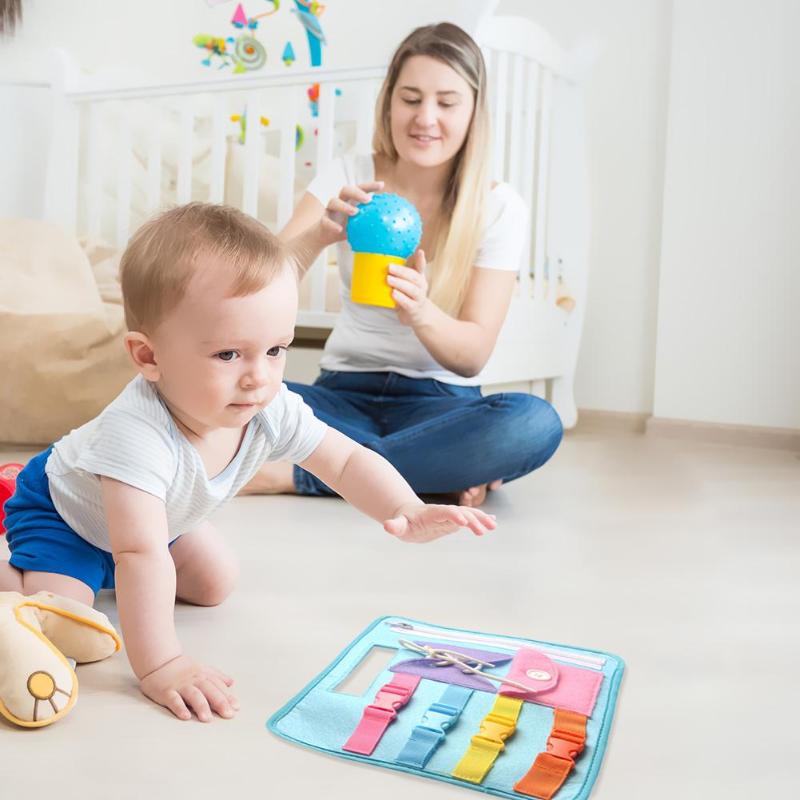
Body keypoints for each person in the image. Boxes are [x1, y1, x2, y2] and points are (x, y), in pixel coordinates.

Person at [0, 203, 495, 723]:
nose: (259, 376)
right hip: (67, 515)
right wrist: (163, 665)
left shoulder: (266, 407)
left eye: (276, 349)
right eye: (229, 355)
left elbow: (345, 459)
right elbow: (139, 554)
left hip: (155, 521)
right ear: (149, 357)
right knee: (67, 622)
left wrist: (405, 506)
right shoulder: (136, 435)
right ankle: (12, 570)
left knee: (214, 583)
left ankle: (97, 576)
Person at [243, 22, 563, 507]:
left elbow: (473, 354)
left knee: (533, 422)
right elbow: (260, 288)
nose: (425, 118)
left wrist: (422, 313)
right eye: (410, 99)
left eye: (447, 102)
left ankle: (300, 474)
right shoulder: (349, 172)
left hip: (439, 405)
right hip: (340, 397)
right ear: (389, 102)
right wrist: (320, 233)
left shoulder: (499, 207)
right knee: (217, 390)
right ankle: (430, 470)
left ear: (474, 110)